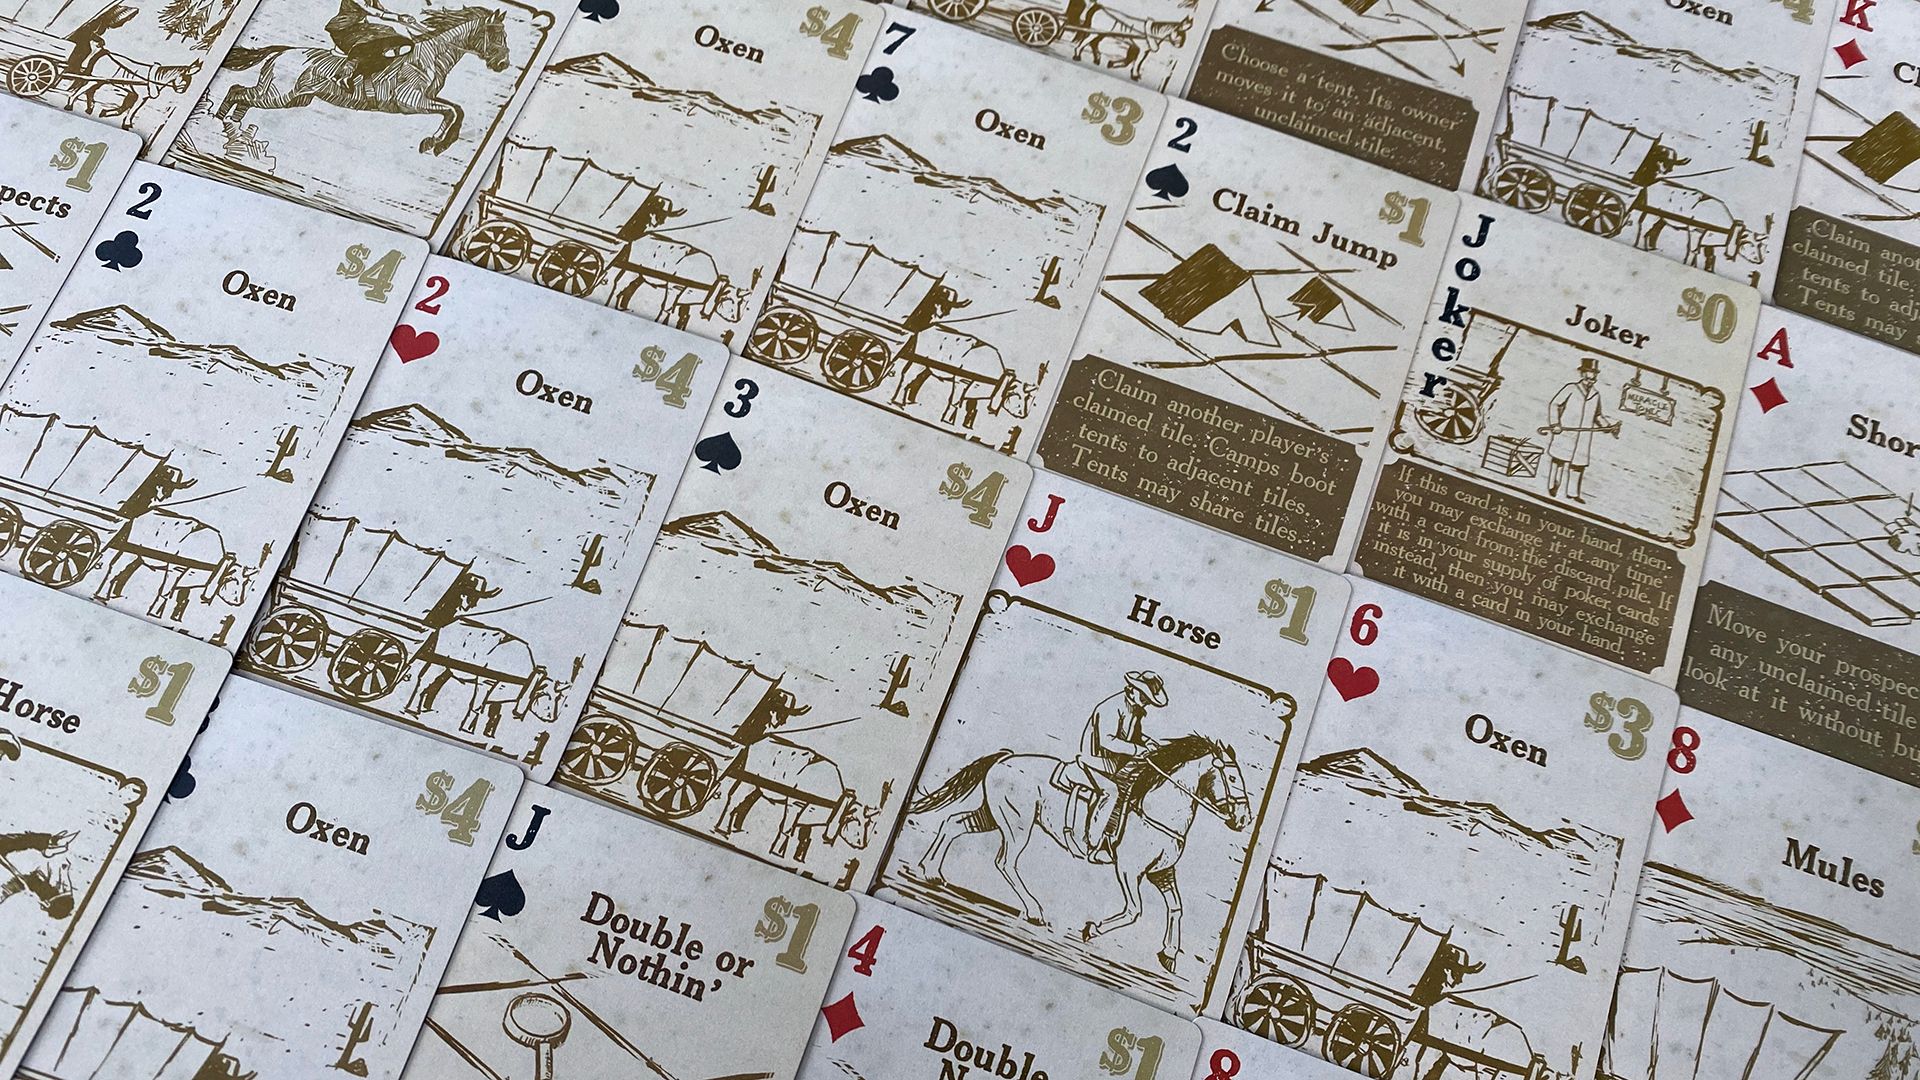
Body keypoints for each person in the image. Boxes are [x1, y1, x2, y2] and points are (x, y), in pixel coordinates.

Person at [1075, 670, 1166, 864]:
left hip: (1115, 764)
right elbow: (1107, 741)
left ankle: (1112, 837)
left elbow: (1134, 736)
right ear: (1133, 690)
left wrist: (1148, 743)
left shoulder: (1135, 710)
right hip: (1095, 761)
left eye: (1148, 699)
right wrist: (1137, 749)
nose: (1146, 702)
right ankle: (1095, 843)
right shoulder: (1111, 707)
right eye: (1145, 697)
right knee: (1111, 792)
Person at [1545, 357, 1617, 503]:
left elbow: (1598, 415)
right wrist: (1555, 423)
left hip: (1583, 436)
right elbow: (1555, 404)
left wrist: (1608, 427)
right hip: (1566, 432)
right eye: (1588, 378)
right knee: (1559, 460)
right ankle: (1553, 486)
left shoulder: (1595, 394)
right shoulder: (1571, 388)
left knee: (1578, 465)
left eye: (1593, 379)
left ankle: (1573, 494)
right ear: (1582, 374)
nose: (1590, 382)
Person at [325, 0, 419, 92]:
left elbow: (382, 10)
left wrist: (403, 18)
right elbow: (374, 12)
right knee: (366, 41)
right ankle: (343, 75)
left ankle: (391, 49)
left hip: (358, 27)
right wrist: (398, 17)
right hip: (342, 30)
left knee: (387, 30)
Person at [63, 3, 137, 76]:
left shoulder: (103, 26)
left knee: (87, 50)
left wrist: (98, 40)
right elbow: (89, 33)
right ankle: (73, 67)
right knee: (85, 49)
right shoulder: (98, 23)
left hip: (84, 39)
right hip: (80, 38)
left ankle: (76, 67)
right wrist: (99, 40)